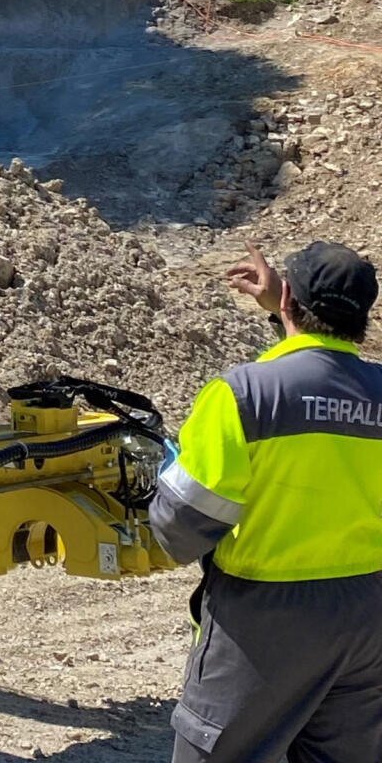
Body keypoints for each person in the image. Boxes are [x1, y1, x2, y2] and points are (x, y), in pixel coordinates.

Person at [150, 240, 382, 762]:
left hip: (264, 621)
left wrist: (162, 486)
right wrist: (287, 308)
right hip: (369, 616)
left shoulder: (242, 395)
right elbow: (330, 384)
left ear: (288, 305)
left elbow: (179, 531)